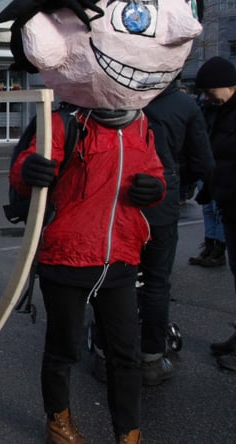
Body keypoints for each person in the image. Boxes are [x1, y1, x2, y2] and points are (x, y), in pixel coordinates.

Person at [0, 0, 208, 443]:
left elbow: (153, 171)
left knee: (126, 353)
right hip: (68, 256)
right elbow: (24, 169)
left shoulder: (138, 124)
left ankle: (127, 431)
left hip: (120, 258)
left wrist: (151, 191)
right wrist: (32, 172)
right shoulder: (65, 122)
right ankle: (59, 419)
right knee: (63, 349)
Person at [132, 83, 213, 385]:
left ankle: (106, 353)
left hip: (119, 200)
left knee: (116, 279)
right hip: (161, 200)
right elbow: (202, 160)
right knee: (156, 281)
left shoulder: (121, 93)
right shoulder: (184, 105)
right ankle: (151, 356)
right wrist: (178, 179)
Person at [192, 57, 236, 372]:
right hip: (229, 204)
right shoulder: (219, 112)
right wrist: (209, 188)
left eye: (211, 90)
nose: (208, 96)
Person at [188, 92, 227, 268]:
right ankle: (210, 245)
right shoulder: (205, 109)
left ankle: (218, 249)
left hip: (219, 164)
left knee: (216, 209)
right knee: (208, 209)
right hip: (209, 163)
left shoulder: (222, 111)